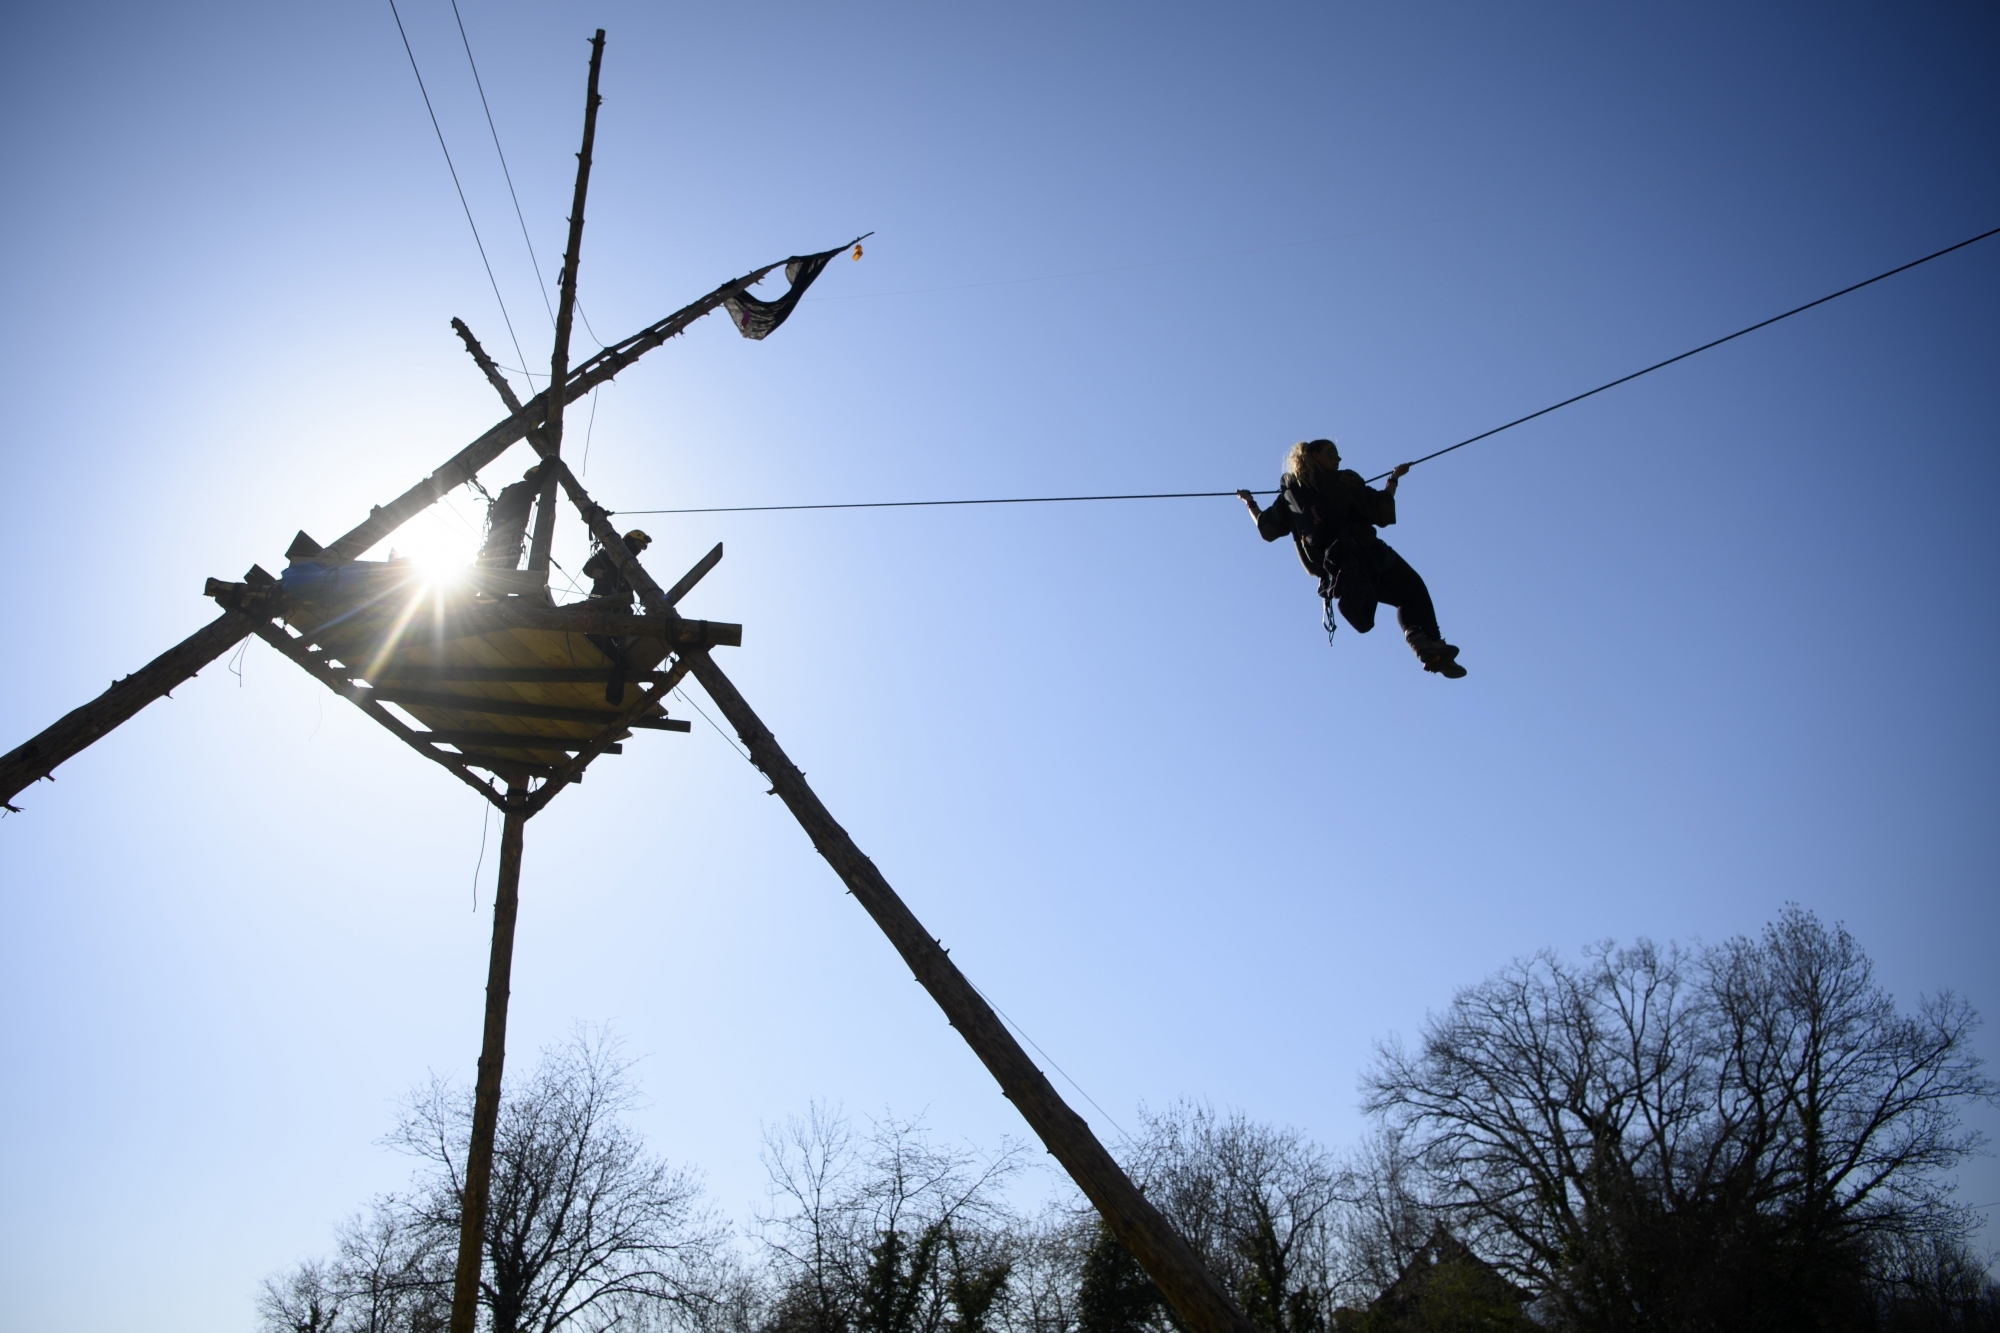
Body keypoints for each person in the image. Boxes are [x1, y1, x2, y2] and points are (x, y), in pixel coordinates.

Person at [1237, 438, 1466, 678]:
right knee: (1413, 589)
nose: (1338, 459)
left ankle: (1427, 649)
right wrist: (1394, 479)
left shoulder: (1290, 495)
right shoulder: (1343, 481)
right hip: (1369, 556)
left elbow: (1267, 528)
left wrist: (1249, 502)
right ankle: (1432, 643)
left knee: (1404, 596)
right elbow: (1380, 510)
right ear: (1315, 456)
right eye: (1332, 454)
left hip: (1340, 574)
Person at [581, 530, 653, 704]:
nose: (638, 549)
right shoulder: (608, 553)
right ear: (627, 540)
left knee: (619, 650)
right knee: (598, 635)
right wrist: (606, 575)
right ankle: (616, 663)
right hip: (601, 602)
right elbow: (588, 569)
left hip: (619, 611)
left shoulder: (632, 567)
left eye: (641, 548)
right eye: (637, 545)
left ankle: (618, 667)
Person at [476, 463, 546, 568]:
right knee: (503, 560)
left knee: (493, 559)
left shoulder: (513, 488)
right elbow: (537, 485)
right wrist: (549, 464)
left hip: (499, 530)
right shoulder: (525, 487)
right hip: (507, 532)